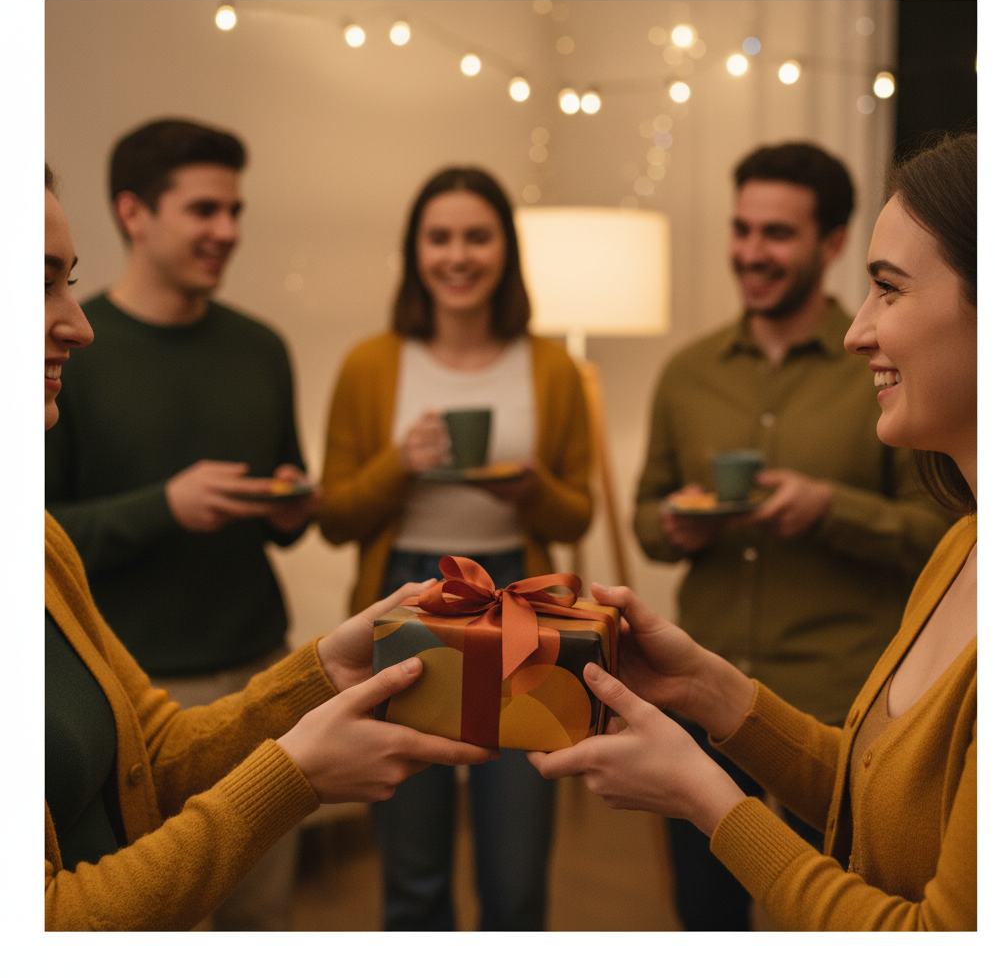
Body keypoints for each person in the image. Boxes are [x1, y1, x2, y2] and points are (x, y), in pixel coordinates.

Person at [531, 131, 977, 930]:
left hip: (827, 675)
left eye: (891, 288)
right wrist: (704, 686)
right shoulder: (965, 549)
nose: (859, 331)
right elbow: (869, 794)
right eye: (742, 229)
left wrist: (709, 803)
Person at [44, 164, 498, 931]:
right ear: (135, 212)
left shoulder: (37, 545)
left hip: (249, 645)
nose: (75, 324)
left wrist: (326, 667)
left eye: (65, 281)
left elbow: (158, 749)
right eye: (33, 282)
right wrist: (294, 776)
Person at [45, 120, 319, 928]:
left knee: (262, 919)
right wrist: (163, 506)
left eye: (235, 211)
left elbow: (282, 514)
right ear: (134, 212)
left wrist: (292, 509)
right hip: (119, 688)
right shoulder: (76, 355)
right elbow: (48, 525)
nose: (226, 232)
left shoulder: (262, 347)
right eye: (204, 210)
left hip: (253, 667)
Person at [318, 166, 592, 930]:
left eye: (478, 235)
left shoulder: (550, 365)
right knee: (411, 872)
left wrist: (531, 489)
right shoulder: (372, 364)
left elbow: (579, 511)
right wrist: (396, 466)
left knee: (515, 872)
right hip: (407, 600)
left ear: (505, 249)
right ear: (416, 251)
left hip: (522, 602)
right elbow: (334, 516)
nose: (459, 255)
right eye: (440, 237)